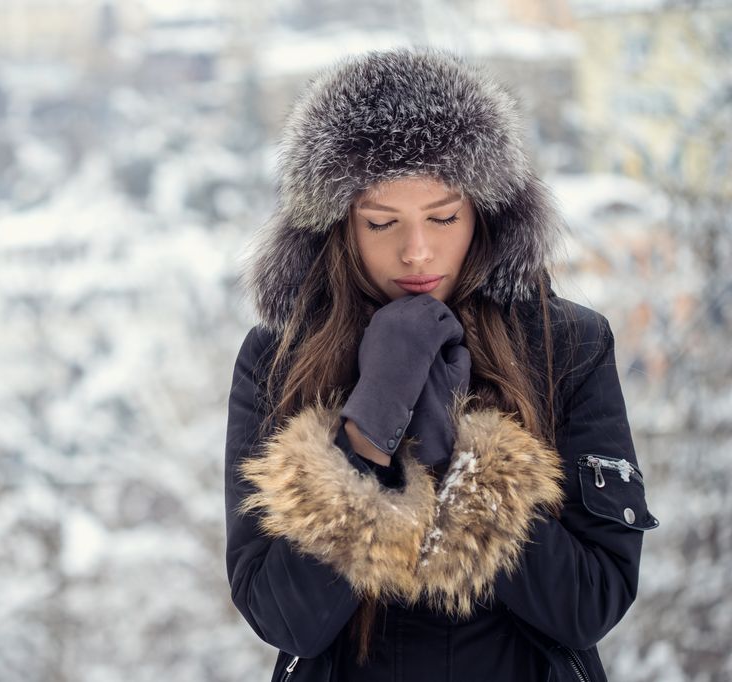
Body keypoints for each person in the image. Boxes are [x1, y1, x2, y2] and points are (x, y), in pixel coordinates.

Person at [224, 48, 660, 682]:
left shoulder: (566, 345)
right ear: (340, 228)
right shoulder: (276, 360)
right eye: (381, 223)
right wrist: (363, 438)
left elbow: (590, 603)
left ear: (483, 213)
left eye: (443, 217)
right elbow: (286, 619)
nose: (416, 250)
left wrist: (464, 463)